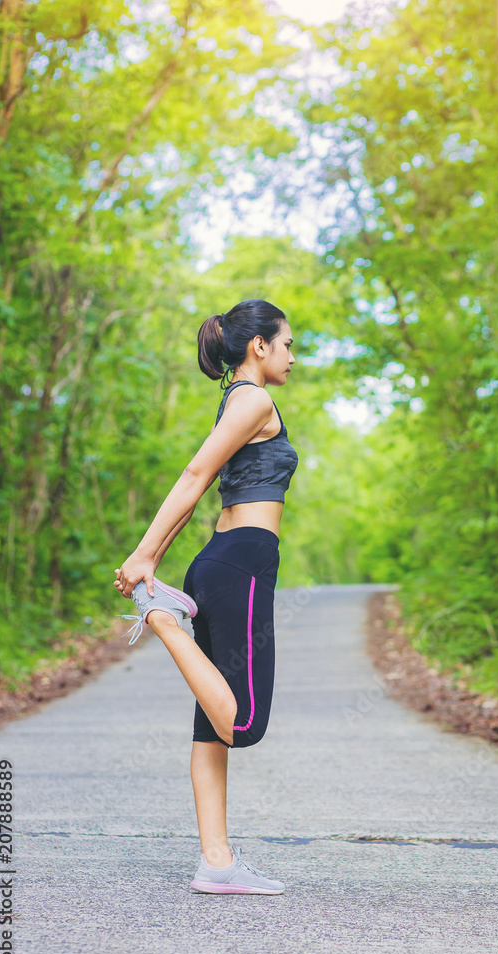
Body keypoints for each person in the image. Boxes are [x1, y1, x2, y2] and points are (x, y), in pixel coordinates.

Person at [113, 299, 298, 895]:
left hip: (224, 562)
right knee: (241, 723)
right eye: (287, 344)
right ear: (259, 346)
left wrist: (153, 556)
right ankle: (165, 619)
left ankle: (216, 863)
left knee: (211, 728)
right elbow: (194, 477)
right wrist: (145, 557)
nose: (293, 356)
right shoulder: (255, 399)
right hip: (240, 561)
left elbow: (199, 486)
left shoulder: (237, 402)